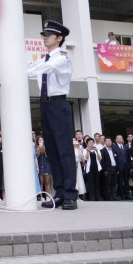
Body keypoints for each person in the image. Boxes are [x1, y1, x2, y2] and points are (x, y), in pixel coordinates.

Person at [29, 20, 77, 210]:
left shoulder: (62, 58)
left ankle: (70, 194)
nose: (45, 38)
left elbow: (43, 69)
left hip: (58, 104)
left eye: (48, 35)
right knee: (53, 152)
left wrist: (25, 71)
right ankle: (60, 192)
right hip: (45, 105)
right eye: (44, 35)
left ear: (59, 38)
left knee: (64, 150)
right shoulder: (44, 58)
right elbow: (35, 68)